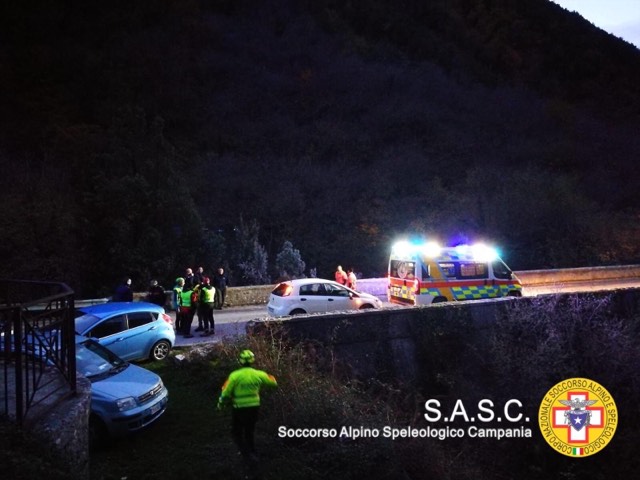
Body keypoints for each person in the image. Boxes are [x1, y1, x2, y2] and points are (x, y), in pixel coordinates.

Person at [217, 349, 278, 462]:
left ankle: (245, 453)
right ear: (253, 361)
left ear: (239, 361)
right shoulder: (259, 374)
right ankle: (252, 452)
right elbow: (273, 383)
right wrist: (268, 376)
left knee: (236, 432)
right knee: (249, 431)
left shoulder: (234, 376)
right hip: (254, 407)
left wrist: (221, 405)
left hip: (239, 409)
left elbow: (225, 393)